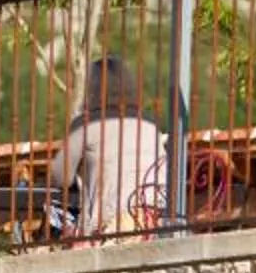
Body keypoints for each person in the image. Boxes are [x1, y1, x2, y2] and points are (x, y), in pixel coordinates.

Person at [49, 57, 170, 238]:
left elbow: (59, 177)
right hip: (154, 219)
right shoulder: (150, 123)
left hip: (108, 227)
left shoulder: (86, 124)